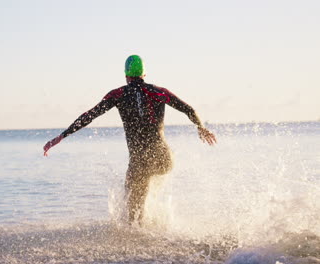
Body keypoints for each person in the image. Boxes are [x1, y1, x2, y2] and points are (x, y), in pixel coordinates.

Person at [43, 55, 216, 224]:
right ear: (144, 74)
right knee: (145, 180)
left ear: (126, 75)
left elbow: (89, 115)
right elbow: (189, 109)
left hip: (140, 160)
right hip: (164, 158)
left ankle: (138, 245)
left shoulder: (118, 94)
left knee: (133, 215)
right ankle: (157, 232)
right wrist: (200, 127)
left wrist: (62, 136)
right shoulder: (159, 92)